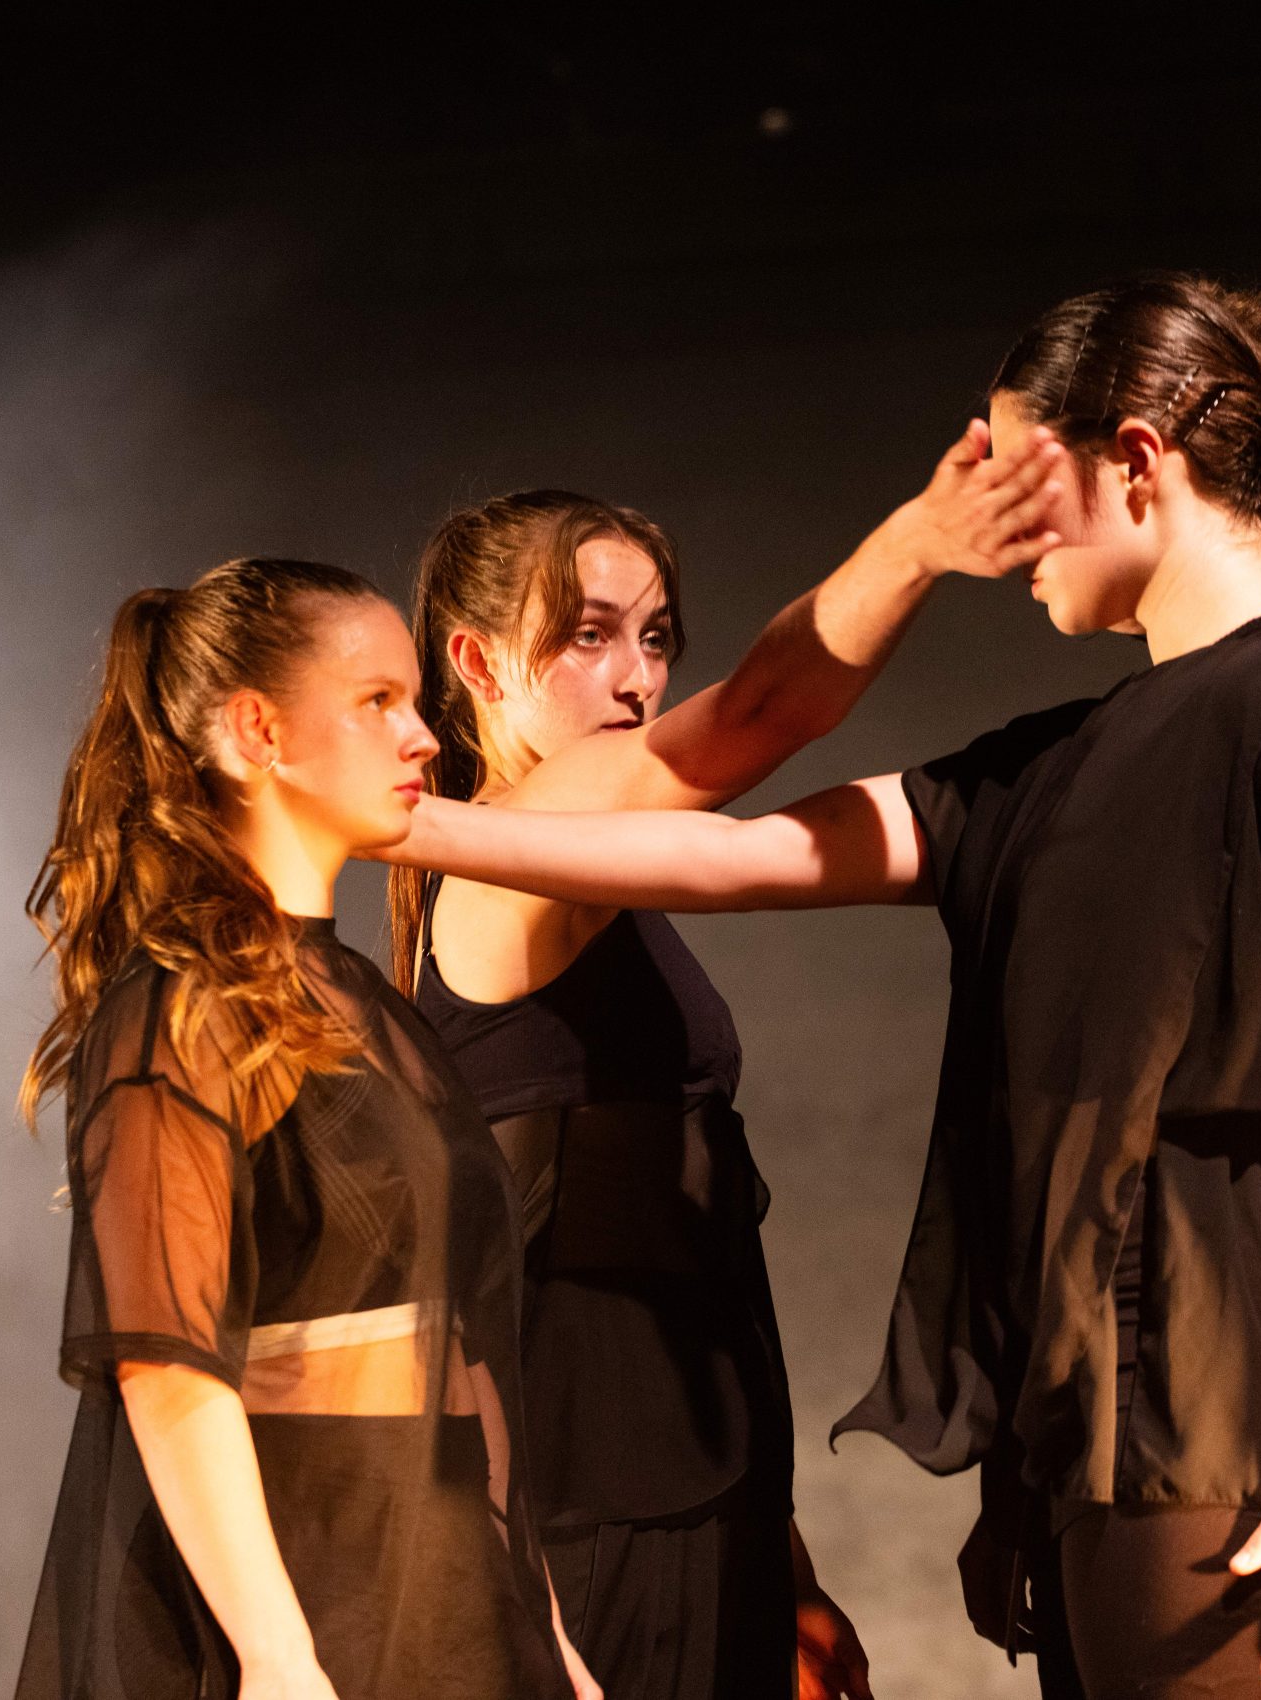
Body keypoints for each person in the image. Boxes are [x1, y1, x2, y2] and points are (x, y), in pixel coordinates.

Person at [374, 275, 1261, 1700]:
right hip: (1092, 1439)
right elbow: (734, 846)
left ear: (1137, 461)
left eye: (1017, 477)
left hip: (1243, 1414)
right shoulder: (1061, 763)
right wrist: (377, 822)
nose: (1006, 536)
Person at [384, 436, 1068, 1700]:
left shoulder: (592, 882)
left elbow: (690, 1267)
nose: (637, 677)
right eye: (589, 635)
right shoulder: (508, 856)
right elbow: (759, 716)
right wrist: (919, 541)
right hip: (583, 1529)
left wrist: (783, 1561)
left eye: (655, 638)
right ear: (476, 664)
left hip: (697, 1497)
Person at [13, 557, 601, 1700]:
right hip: (310, 1571)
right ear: (258, 732)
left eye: (414, 700)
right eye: (377, 700)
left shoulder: (364, 1000)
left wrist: (539, 1617)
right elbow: (164, 1359)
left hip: (441, 1569)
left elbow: (458, 1339)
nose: (422, 736)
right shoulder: (182, 1008)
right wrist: (276, 1653)